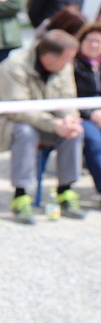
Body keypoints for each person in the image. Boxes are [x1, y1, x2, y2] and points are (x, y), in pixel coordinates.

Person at [0, 30, 85, 224]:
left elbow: (67, 97)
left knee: (75, 131)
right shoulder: (13, 67)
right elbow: (18, 109)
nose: (71, 62)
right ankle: (21, 195)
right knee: (25, 132)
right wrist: (54, 124)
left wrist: (69, 119)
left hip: (45, 122)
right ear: (47, 58)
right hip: (7, 123)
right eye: (68, 58)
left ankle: (66, 190)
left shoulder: (63, 67)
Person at [73, 21, 101, 198]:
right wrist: (91, 113)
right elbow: (68, 97)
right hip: (81, 115)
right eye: (90, 40)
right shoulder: (71, 65)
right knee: (94, 141)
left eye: (98, 41)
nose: (94, 45)